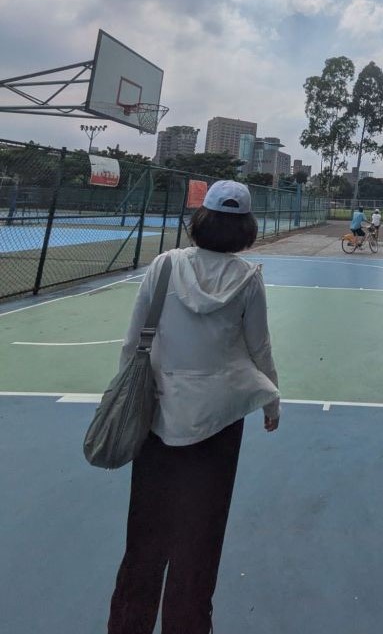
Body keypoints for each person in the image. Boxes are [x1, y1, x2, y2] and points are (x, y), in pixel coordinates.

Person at [108, 180, 280, 634]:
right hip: (219, 421)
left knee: (145, 538)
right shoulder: (249, 278)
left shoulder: (164, 266)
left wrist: (124, 396)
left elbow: (134, 340)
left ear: (200, 219)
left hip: (156, 413)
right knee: (200, 542)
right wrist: (271, 399)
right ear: (246, 227)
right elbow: (259, 348)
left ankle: (128, 625)